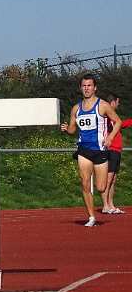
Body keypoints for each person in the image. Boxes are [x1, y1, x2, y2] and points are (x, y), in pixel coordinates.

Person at [60, 74, 123, 226]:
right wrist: (66, 129)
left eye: (89, 85)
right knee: (85, 184)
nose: (86, 88)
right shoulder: (76, 108)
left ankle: (100, 204)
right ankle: (91, 217)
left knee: (101, 187)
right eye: (84, 86)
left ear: (95, 88)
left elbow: (118, 122)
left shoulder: (103, 105)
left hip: (100, 150)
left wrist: (110, 137)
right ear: (80, 88)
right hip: (83, 150)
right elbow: (72, 129)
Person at [101, 94, 132, 214]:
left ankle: (111, 205)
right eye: (117, 102)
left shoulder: (114, 117)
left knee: (113, 179)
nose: (118, 104)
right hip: (110, 150)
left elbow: (121, 124)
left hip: (117, 150)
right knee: (108, 179)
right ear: (113, 102)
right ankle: (105, 206)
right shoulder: (106, 115)